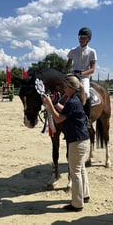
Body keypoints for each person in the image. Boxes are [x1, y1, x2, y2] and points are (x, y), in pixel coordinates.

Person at [42, 75, 90, 212]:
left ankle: (77, 204)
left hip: (76, 140)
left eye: (65, 87)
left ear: (71, 88)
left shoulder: (72, 101)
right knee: (80, 169)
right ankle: (84, 195)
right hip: (81, 138)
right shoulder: (75, 99)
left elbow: (58, 119)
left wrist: (49, 104)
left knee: (75, 172)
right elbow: (66, 111)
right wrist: (55, 102)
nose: (63, 89)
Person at [63, 27, 97, 126]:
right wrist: (64, 72)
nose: (81, 39)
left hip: (84, 77)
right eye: (80, 37)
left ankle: (86, 118)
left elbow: (92, 69)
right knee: (63, 90)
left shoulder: (92, 52)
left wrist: (81, 74)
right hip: (73, 74)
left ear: (88, 39)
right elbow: (68, 64)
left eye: (83, 37)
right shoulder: (73, 50)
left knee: (86, 93)